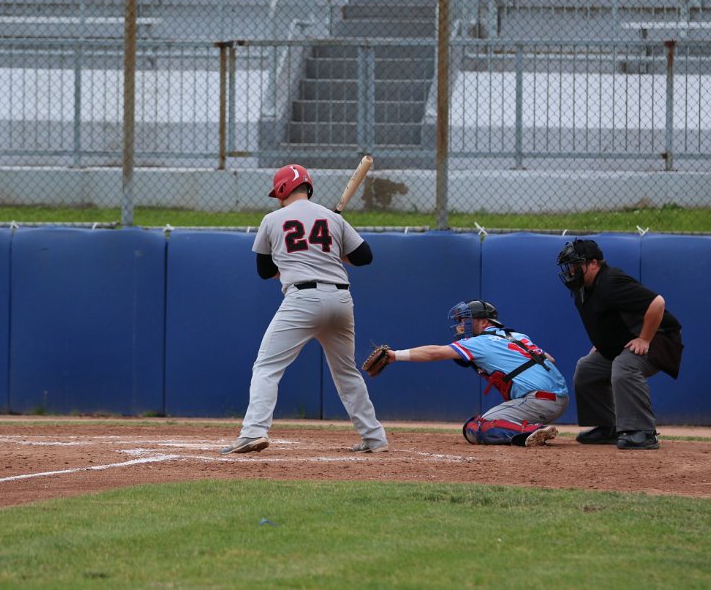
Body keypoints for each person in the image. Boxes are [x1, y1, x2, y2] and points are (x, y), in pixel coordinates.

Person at [221, 164, 389, 454]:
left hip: (303, 299)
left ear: (283, 189)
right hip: (341, 300)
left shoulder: (272, 219)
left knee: (267, 367)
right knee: (346, 373)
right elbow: (364, 257)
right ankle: (374, 438)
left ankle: (253, 432)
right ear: (308, 187)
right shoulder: (332, 218)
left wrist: (293, 259)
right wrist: (334, 250)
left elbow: (265, 271)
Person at [376, 300, 568, 447]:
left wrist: (395, 355)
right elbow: (549, 359)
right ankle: (532, 429)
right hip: (558, 398)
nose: (461, 325)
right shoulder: (517, 336)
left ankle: (532, 431)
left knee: (478, 426)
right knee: (484, 423)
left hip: (538, 401)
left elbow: (435, 353)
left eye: (466, 320)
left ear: (484, 322)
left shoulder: (479, 342)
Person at [556, 238, 683, 450]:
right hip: (626, 341)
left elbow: (657, 303)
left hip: (661, 338)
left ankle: (644, 432)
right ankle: (608, 427)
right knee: (587, 370)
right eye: (570, 266)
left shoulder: (611, 282)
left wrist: (645, 338)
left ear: (594, 263)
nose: (571, 270)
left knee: (624, 366)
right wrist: (603, 343)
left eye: (577, 264)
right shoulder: (582, 288)